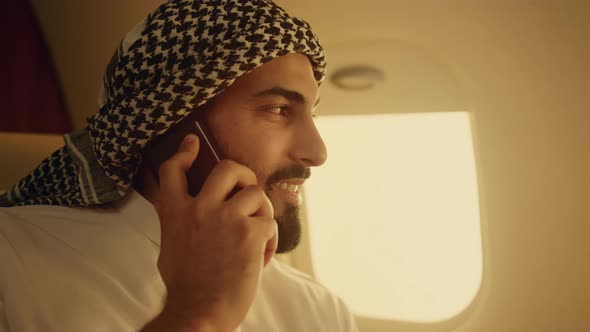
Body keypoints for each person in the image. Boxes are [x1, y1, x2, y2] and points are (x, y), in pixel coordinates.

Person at [0, 0, 359, 331]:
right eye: (278, 109)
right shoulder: (10, 260)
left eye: (312, 113)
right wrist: (198, 311)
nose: (318, 152)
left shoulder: (321, 311)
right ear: (170, 126)